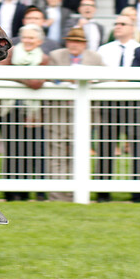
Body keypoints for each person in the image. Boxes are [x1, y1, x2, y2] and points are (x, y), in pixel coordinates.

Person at [46, 27, 104, 201]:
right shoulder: (57, 55)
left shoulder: (95, 58)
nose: (74, 44)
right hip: (59, 113)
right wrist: (66, 79)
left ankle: (74, 194)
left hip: (84, 115)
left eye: (78, 41)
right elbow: (49, 76)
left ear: (84, 44)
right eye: (71, 40)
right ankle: (56, 195)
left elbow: (106, 77)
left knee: (77, 153)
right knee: (56, 154)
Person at [0, 24, 50, 201]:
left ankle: (32, 192)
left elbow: (37, 83)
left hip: (32, 113)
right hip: (10, 111)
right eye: (25, 37)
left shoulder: (43, 58)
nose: (28, 41)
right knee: (12, 151)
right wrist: (24, 77)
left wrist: (16, 74)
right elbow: (1, 72)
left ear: (39, 41)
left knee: (32, 151)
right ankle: (12, 193)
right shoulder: (11, 53)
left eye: (32, 38)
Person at [96, 15, 140, 202]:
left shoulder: (137, 49)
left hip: (134, 104)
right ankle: (103, 192)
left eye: (123, 24)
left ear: (132, 28)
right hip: (108, 103)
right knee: (105, 146)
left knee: (138, 148)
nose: (118, 26)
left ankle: (137, 191)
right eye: (116, 23)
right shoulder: (104, 49)